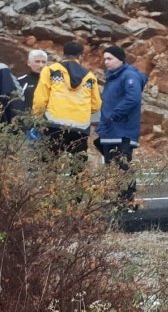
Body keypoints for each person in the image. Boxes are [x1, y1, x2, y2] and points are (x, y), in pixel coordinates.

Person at [31, 41, 101, 156]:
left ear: (63, 54)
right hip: (80, 128)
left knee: (48, 164)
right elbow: (96, 105)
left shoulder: (50, 70)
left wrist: (37, 119)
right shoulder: (90, 76)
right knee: (77, 168)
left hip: (54, 125)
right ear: (80, 56)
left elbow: (40, 100)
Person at [97, 45, 147, 204]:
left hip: (122, 130)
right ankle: (117, 198)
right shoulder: (112, 77)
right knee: (112, 166)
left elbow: (133, 99)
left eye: (109, 58)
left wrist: (113, 116)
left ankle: (127, 198)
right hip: (110, 130)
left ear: (120, 59)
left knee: (122, 165)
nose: (106, 62)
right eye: (105, 59)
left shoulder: (129, 75)